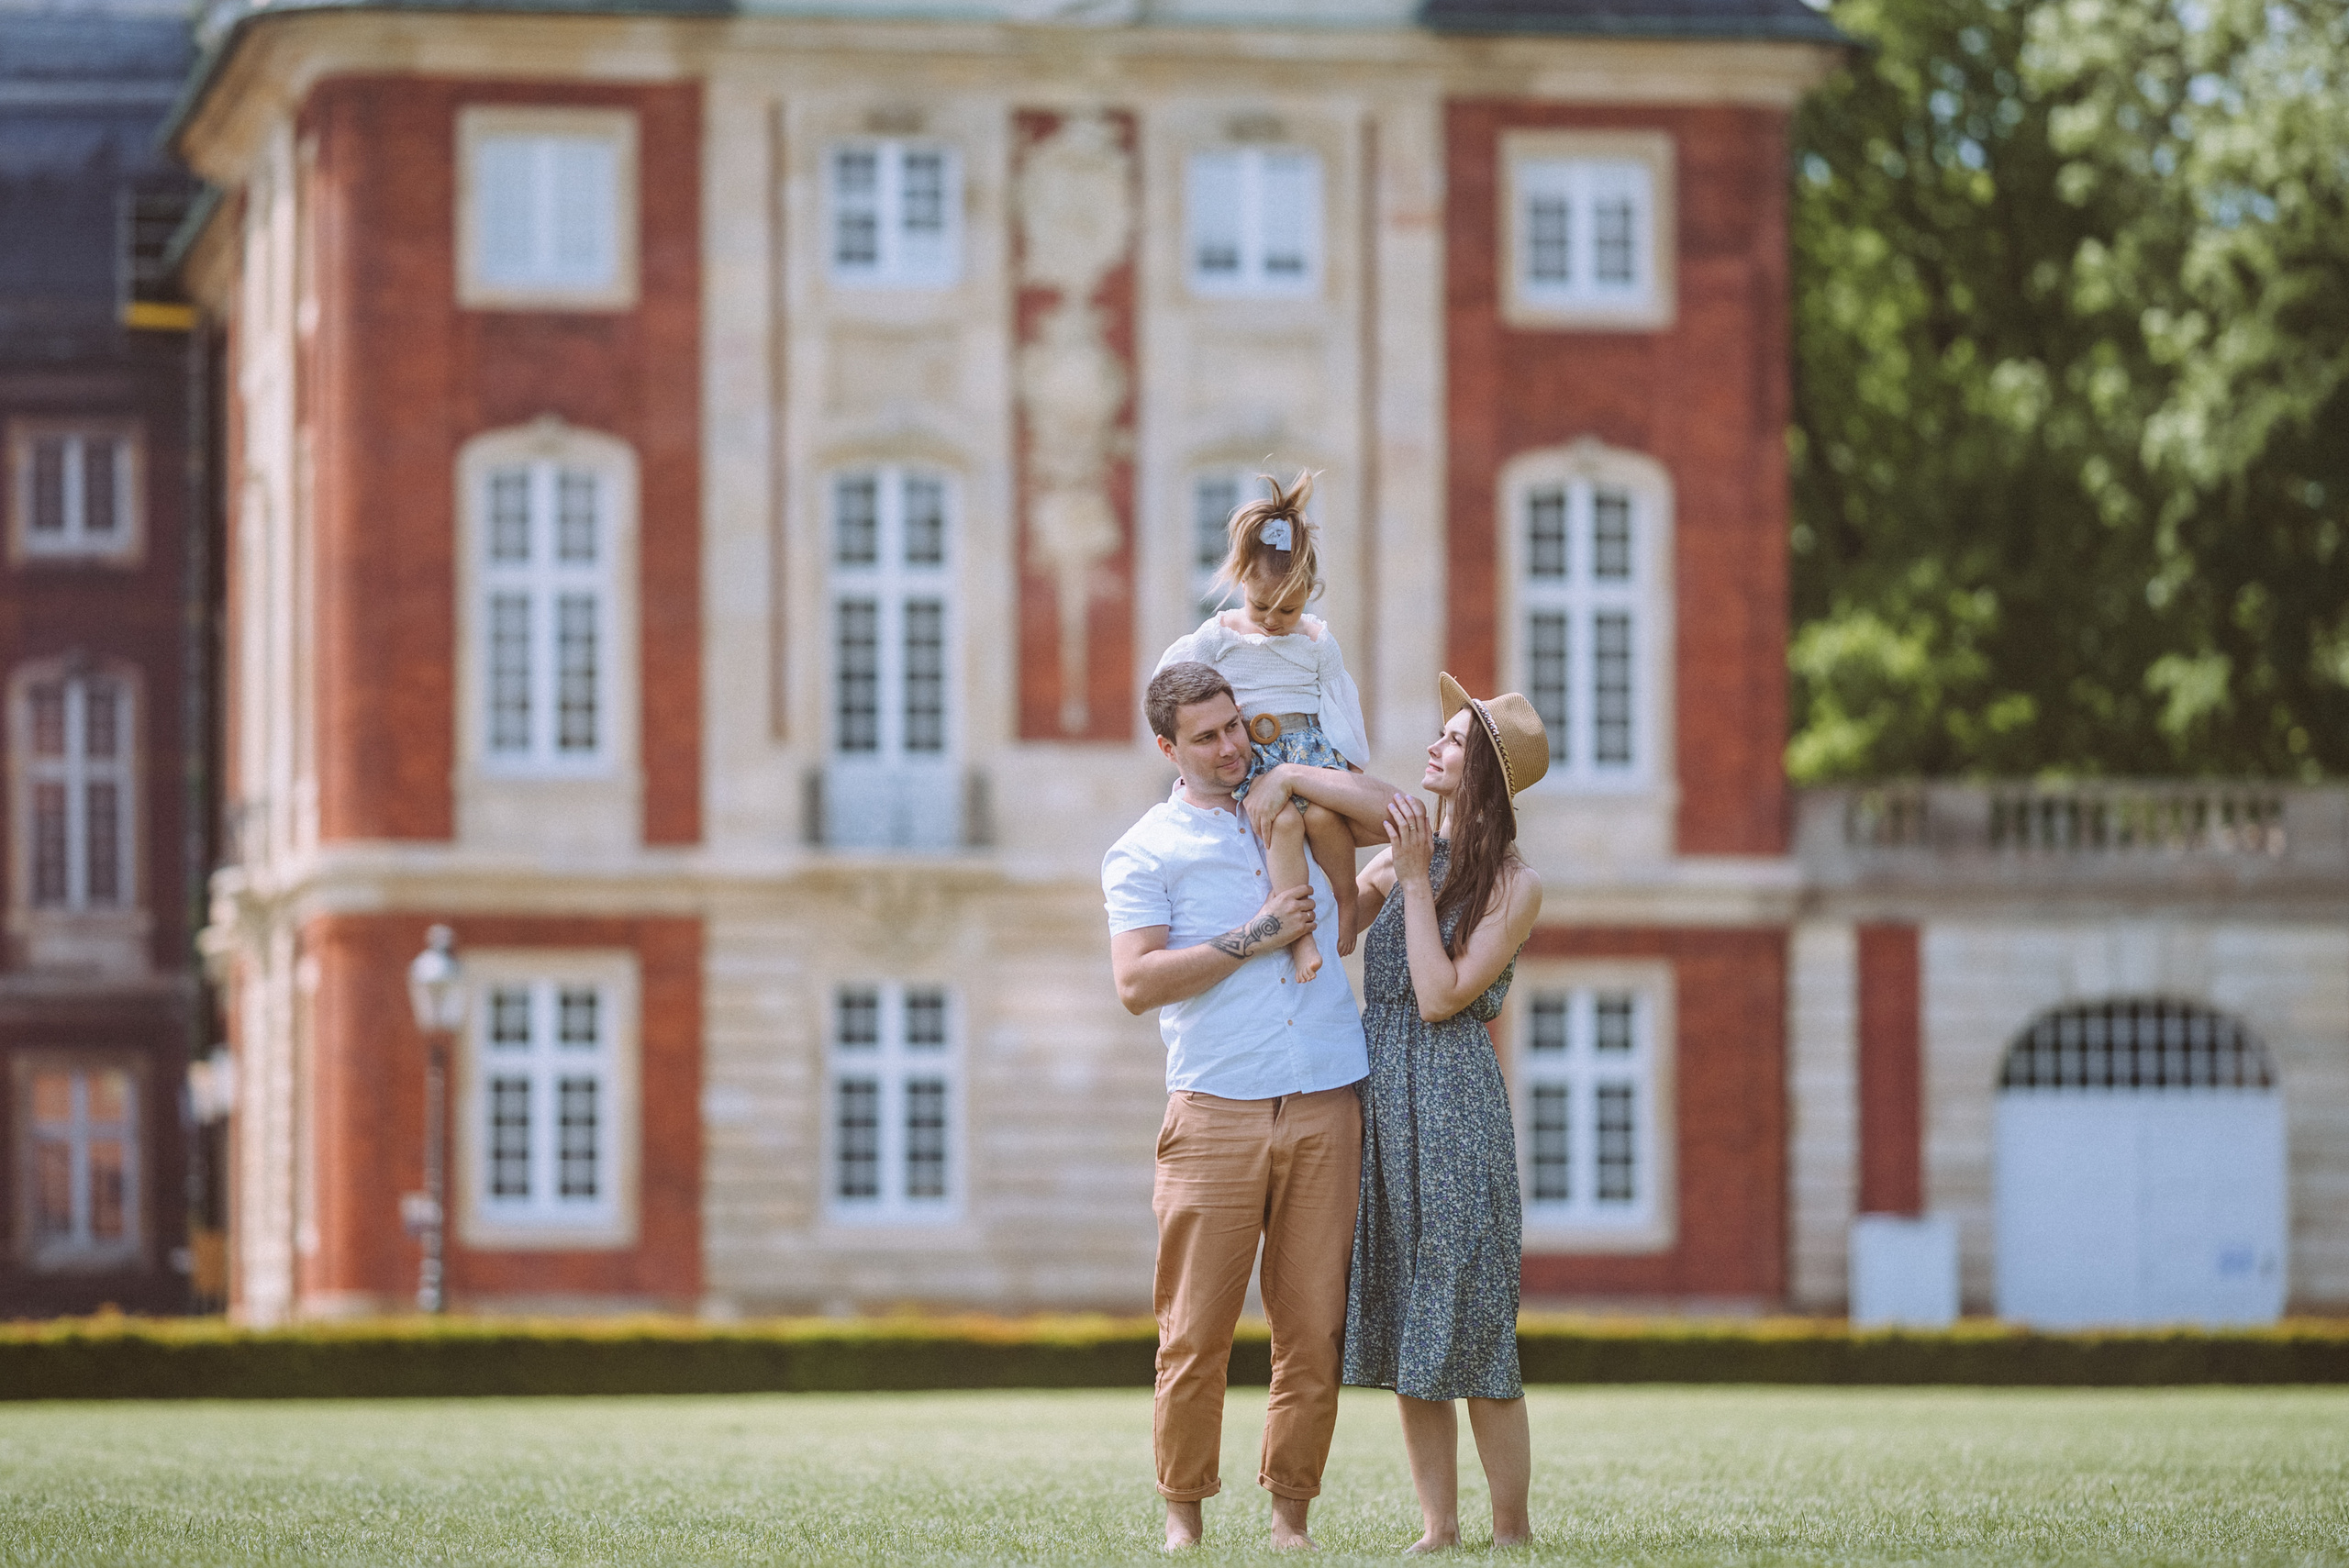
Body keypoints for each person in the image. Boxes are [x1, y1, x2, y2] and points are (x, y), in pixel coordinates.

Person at [1102, 661, 1385, 1552]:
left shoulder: (1294, 798)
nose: (1229, 746)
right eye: (1206, 736)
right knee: (1194, 1333)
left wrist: (1295, 772)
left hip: (1324, 1097)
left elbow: (1396, 815)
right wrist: (1253, 935)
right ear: (1167, 748)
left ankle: (1288, 1517)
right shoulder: (1143, 848)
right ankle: (1182, 1514)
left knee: (1313, 1327)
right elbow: (1135, 981)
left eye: (1234, 726)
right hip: (1214, 1110)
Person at [1341, 673, 1550, 1554]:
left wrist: (1417, 882)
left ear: (1486, 776)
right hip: (1385, 1106)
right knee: (1407, 1329)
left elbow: (1438, 996)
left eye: (1453, 741)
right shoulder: (1405, 855)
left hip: (1456, 1112)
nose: (1433, 747)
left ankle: (1511, 1531)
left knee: (1475, 1337)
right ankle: (1440, 1528)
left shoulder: (1513, 883)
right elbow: (1339, 928)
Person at [1154, 470, 1372, 984]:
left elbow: (1339, 703)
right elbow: (1170, 685)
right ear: (1240, 584)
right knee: (1285, 826)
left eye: (1290, 609)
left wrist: (1351, 763)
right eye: (1261, 607)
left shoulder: (1318, 641)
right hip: (1257, 757)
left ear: (1311, 595)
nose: (1274, 621)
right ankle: (1296, 937)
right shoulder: (1219, 636)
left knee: (1321, 818)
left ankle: (1347, 898)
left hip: (1310, 753)